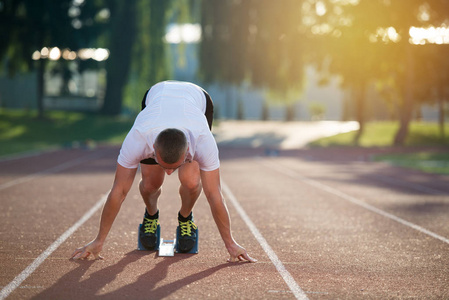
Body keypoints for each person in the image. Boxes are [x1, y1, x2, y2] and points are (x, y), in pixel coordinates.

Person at [71, 80, 256, 263]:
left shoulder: (203, 140)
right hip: (157, 95)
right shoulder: (138, 138)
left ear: (186, 154)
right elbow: (119, 191)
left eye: (174, 167)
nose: (169, 174)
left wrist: (231, 244)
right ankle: (151, 216)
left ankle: (185, 218)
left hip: (198, 100)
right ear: (153, 149)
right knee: (152, 183)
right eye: (164, 166)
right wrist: (99, 241)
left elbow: (214, 195)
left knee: (191, 181)